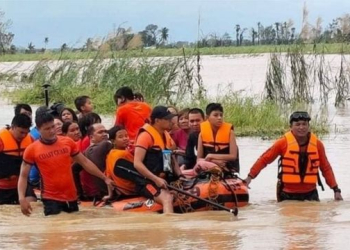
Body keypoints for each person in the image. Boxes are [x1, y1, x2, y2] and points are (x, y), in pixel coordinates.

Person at [17, 112, 114, 216]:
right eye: (47, 129)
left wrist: (104, 178)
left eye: (53, 126)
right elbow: (23, 176)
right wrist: (21, 198)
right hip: (50, 198)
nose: (52, 131)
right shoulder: (32, 149)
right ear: (39, 130)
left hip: (71, 196)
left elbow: (85, 162)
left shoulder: (67, 142)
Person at [244, 111, 343, 202]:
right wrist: (249, 178)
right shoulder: (282, 143)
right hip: (287, 194)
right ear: (291, 127)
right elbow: (264, 159)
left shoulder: (318, 145)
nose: (301, 127)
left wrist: (336, 189)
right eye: (298, 124)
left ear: (309, 126)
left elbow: (326, 168)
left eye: (304, 124)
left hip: (311, 194)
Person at [134, 105, 183, 213]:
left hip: (164, 179)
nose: (172, 121)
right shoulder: (145, 136)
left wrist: (180, 175)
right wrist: (156, 179)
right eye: (168, 119)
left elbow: (171, 157)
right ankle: (169, 228)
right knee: (167, 199)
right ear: (157, 120)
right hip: (147, 182)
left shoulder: (166, 135)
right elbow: (137, 163)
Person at [0, 114, 36, 204]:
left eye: (26, 132)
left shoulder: (30, 140)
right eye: (21, 132)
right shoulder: (1, 139)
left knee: (32, 204)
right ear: (13, 127)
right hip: (3, 186)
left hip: (22, 184)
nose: (24, 135)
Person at [197, 103, 239, 173]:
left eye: (221, 115)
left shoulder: (230, 132)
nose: (219, 118)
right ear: (207, 118)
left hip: (226, 166)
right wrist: (214, 161)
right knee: (199, 163)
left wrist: (211, 156)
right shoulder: (201, 134)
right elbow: (199, 159)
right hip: (209, 165)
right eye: (215, 115)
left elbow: (233, 156)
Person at [79, 123, 113, 199]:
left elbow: (73, 169)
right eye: (100, 132)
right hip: (115, 189)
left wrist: (80, 194)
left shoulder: (85, 152)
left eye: (105, 131)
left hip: (102, 192)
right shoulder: (106, 144)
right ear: (91, 137)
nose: (104, 134)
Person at [105, 126, 137, 197]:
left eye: (126, 136)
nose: (125, 138)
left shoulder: (110, 153)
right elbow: (140, 167)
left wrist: (110, 195)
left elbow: (108, 176)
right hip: (132, 190)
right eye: (120, 137)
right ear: (113, 141)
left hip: (120, 191)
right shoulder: (124, 153)